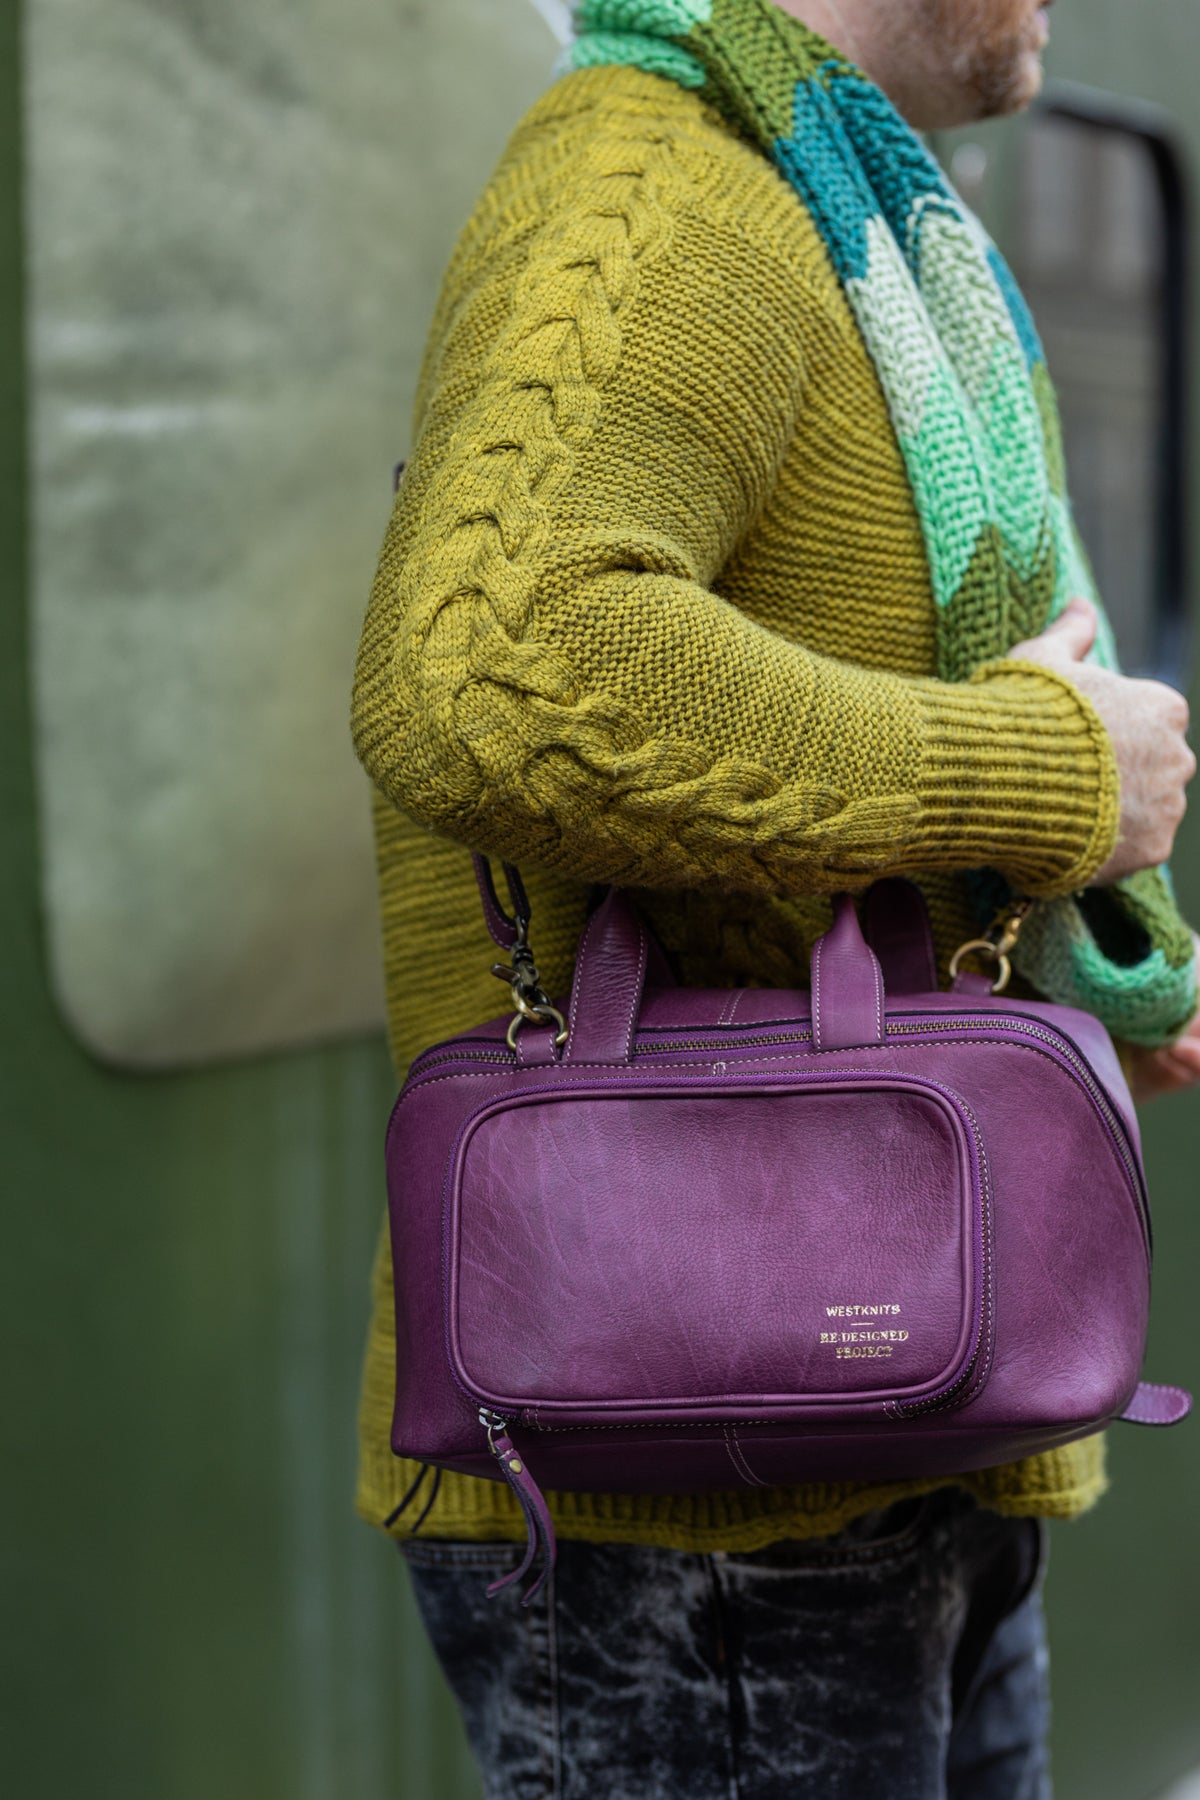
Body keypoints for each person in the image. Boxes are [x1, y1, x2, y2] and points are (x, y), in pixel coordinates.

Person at [351, 1, 1200, 1792]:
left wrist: (1069, 968)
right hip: (699, 1519)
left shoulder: (867, 231)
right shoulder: (663, 202)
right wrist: (1045, 776)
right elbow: (492, 667)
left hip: (902, 1426)